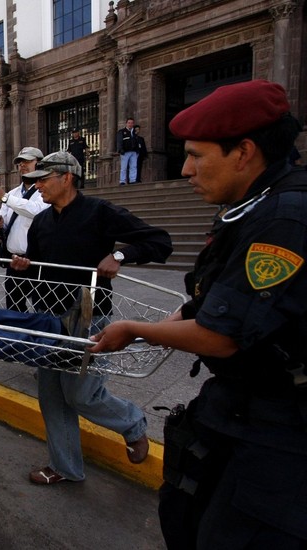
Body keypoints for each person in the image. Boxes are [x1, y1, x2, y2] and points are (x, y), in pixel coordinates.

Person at [90, 80, 307, 548]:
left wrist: (132, 328)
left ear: (244, 152)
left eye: (196, 155)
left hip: (281, 425)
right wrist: (157, 330)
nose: (185, 169)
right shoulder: (247, 207)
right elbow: (207, 301)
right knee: (188, 514)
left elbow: (222, 335)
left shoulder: (285, 219)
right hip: (238, 407)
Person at [11, 151, 173, 486]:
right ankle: (65, 467)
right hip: (48, 318)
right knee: (52, 398)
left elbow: (159, 241)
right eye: (35, 180)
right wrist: (26, 266)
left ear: (67, 178)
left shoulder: (100, 212)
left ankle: (132, 424)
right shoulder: (41, 221)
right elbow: (41, 267)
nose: (37, 185)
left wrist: (119, 254)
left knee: (81, 394)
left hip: (88, 316)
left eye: (43, 178)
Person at [0, 146, 49, 312]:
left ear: (40, 163)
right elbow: (2, 221)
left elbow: (37, 211)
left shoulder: (45, 191)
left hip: (37, 260)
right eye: (20, 162)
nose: (23, 165)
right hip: (14, 261)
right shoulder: (13, 192)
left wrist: (5, 197)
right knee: (14, 305)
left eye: (28, 161)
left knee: (41, 306)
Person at [117, 117, 139, 185]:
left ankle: (132, 180)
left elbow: (137, 141)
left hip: (133, 152)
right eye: (129, 123)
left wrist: (137, 150)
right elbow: (119, 141)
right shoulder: (122, 131)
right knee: (124, 167)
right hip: (125, 152)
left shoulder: (134, 132)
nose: (130, 124)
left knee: (133, 166)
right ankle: (122, 181)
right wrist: (120, 150)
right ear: (126, 123)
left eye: (132, 123)